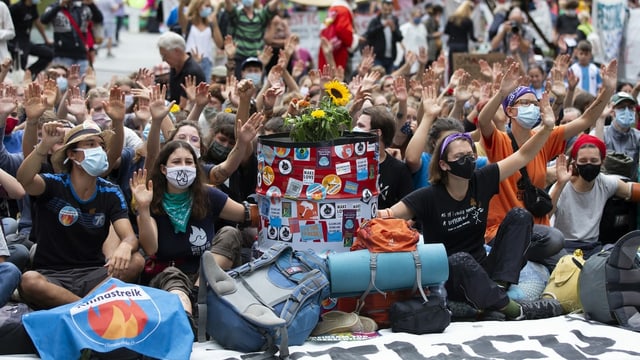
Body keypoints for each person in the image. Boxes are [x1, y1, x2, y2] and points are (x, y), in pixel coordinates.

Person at [379, 83, 563, 320]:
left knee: (520, 216)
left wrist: (547, 128)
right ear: (444, 164)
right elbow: (388, 214)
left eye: (470, 156)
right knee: (459, 260)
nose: (467, 160)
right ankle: (515, 310)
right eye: (459, 157)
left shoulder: (482, 180)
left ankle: (496, 292)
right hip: (451, 275)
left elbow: (523, 155)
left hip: (485, 269)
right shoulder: (427, 196)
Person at [477, 60, 618, 269]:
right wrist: (501, 94)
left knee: (574, 269)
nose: (532, 108)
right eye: (525, 103)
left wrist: (608, 90)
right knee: (556, 239)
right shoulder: (499, 141)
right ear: (510, 111)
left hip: (539, 233)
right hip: (503, 232)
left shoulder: (545, 137)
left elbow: (586, 120)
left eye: (535, 104)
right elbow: (482, 121)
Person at [131, 114, 260, 321]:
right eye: (176, 162)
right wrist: (144, 209)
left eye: (188, 162)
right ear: (164, 169)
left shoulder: (208, 194)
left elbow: (248, 215)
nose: (183, 166)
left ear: (196, 167)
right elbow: (151, 248)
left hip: (205, 274)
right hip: (169, 274)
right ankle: (187, 320)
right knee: (175, 286)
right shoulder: (151, 199)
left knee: (229, 233)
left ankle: (199, 293)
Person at [16, 121, 139, 309]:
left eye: (100, 145)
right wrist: (44, 145)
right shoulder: (53, 184)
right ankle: (89, 308)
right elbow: (23, 180)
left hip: (95, 276)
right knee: (29, 281)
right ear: (72, 155)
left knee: (136, 261)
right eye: (90, 144)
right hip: (53, 277)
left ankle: (78, 308)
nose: (98, 149)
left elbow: (129, 236)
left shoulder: (111, 192)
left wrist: (125, 246)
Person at [551, 135, 640, 259]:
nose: (589, 165)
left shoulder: (604, 183)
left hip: (593, 248)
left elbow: (630, 191)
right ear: (575, 162)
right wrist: (559, 185)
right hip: (564, 248)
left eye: (594, 161)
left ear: (602, 161)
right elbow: (546, 215)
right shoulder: (563, 186)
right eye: (583, 161)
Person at [353, 105, 413, 209]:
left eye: (361, 126)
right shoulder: (348, 164)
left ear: (377, 133)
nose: (355, 129)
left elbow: (409, 210)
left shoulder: (399, 170)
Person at [40, 0, 103, 80]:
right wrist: (60, 5)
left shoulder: (84, 7)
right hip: (62, 54)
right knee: (61, 84)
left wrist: (91, 4)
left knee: (80, 84)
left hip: (81, 54)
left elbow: (99, 19)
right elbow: (44, 19)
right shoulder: (55, 6)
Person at [224, 0, 278, 79]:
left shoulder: (260, 15)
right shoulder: (238, 14)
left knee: (257, 85)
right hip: (240, 56)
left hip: (257, 57)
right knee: (237, 83)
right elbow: (229, 7)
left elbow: (270, 8)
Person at [157, 31, 205, 108]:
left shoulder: (191, 72)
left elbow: (183, 106)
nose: (164, 60)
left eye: (165, 56)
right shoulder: (175, 66)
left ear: (177, 51)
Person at [178, 0, 223, 82]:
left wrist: (215, 25)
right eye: (207, 6)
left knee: (205, 89)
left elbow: (220, 44)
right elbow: (181, 16)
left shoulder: (210, 25)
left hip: (206, 61)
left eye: (210, 7)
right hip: (190, 60)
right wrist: (182, 4)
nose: (209, 9)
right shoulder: (189, 23)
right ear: (198, 6)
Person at [599, 91, 640, 181]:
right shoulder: (601, 132)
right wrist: (601, 119)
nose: (626, 111)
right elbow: (596, 152)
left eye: (630, 108)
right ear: (612, 112)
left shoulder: (637, 137)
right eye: (621, 107)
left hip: (631, 188)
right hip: (605, 187)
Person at [9, 0, 53, 78]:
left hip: (27, 40)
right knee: (22, 58)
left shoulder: (32, 7)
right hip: (16, 40)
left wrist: (46, 39)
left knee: (48, 54)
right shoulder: (16, 8)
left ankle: (28, 73)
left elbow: (37, 22)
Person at [363, 0, 402, 75]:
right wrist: (382, 26)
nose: (387, 12)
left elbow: (399, 38)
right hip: (377, 57)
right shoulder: (375, 21)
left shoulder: (394, 20)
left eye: (390, 10)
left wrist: (394, 30)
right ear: (381, 8)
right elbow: (369, 34)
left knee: (389, 80)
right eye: (385, 10)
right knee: (377, 78)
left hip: (390, 58)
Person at [318, 0, 358, 71]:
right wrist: (354, 39)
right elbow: (342, 29)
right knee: (339, 77)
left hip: (328, 46)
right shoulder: (343, 10)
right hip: (339, 50)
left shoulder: (333, 8)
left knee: (326, 74)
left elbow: (324, 28)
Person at [444, 0, 477, 76]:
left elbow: (446, 31)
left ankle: (451, 87)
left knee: (452, 68)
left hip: (452, 46)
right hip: (463, 46)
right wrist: (478, 40)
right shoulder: (468, 21)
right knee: (463, 69)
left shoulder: (451, 19)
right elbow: (472, 37)